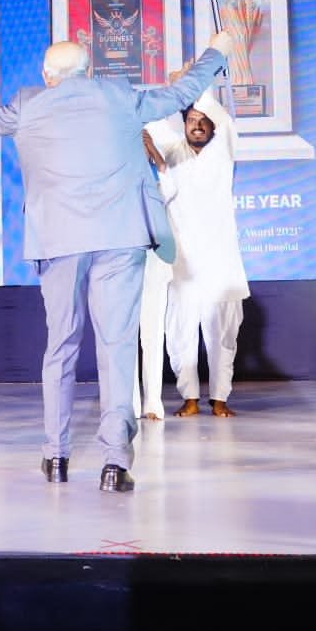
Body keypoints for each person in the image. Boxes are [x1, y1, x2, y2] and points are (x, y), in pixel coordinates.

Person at [0, 29, 235, 492]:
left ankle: (55, 455)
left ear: (48, 75)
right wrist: (217, 51)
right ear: (88, 71)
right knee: (117, 348)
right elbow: (181, 92)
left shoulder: (29, 104)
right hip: (120, 237)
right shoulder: (119, 95)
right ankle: (115, 464)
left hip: (59, 241)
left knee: (61, 346)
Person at [145, 83, 248, 418]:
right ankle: (189, 397)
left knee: (223, 335)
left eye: (204, 120)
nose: (198, 125)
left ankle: (220, 398)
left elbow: (223, 119)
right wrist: (178, 88)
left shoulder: (223, 150)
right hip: (183, 262)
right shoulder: (173, 152)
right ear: (184, 124)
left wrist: (195, 83)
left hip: (220, 261)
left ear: (213, 126)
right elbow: (149, 121)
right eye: (191, 120)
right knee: (180, 333)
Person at [132, 130, 175, 422]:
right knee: (124, 338)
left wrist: (154, 153)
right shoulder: (116, 182)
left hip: (155, 263)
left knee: (152, 334)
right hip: (122, 266)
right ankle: (130, 403)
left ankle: (152, 401)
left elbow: (172, 188)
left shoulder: (159, 181)